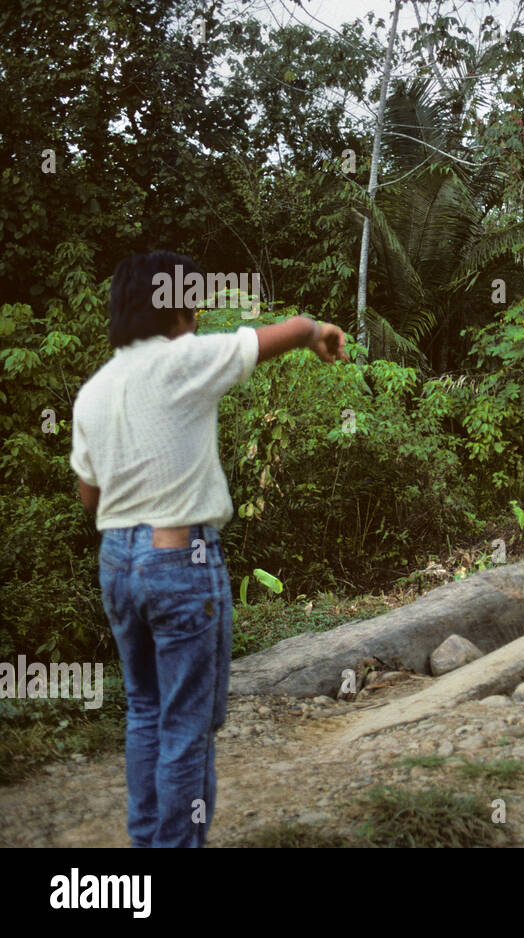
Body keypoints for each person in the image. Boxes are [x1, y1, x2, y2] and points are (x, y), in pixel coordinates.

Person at [70, 251, 348, 847]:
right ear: (173, 306)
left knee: (145, 711)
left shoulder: (93, 392)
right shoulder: (184, 359)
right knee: (188, 725)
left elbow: (90, 498)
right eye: (191, 298)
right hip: (181, 560)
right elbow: (282, 335)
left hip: (117, 561)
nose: (197, 310)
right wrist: (315, 332)